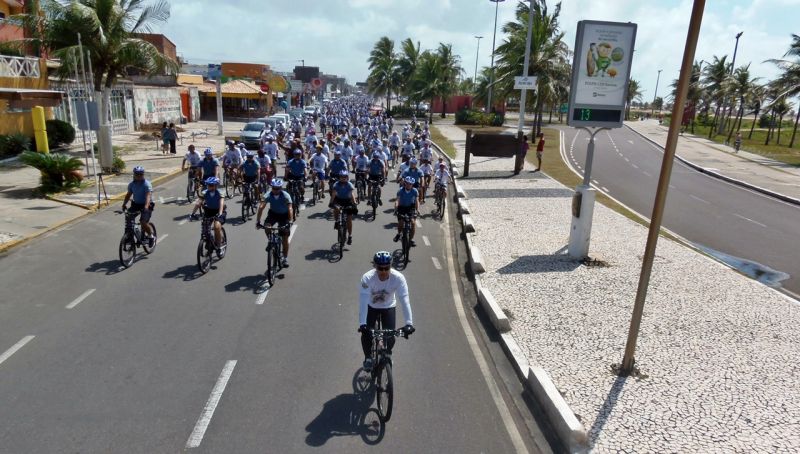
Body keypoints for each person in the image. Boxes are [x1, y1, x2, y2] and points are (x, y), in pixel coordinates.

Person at [358, 251, 415, 372]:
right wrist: (362, 324)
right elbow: (363, 301)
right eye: (380, 268)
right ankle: (368, 357)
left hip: (388, 306)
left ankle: (387, 353)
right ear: (375, 267)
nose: (383, 271)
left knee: (391, 337)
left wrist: (409, 323)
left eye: (386, 268)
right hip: (371, 307)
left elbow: (405, 300)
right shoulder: (367, 278)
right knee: (367, 334)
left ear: (391, 266)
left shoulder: (398, 278)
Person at [256, 179, 294, 268]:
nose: (275, 190)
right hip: (273, 214)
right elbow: (261, 207)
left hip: (285, 215)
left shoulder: (286, 195)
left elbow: (290, 209)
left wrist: (290, 221)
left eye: (277, 188)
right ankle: (271, 241)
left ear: (281, 188)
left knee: (285, 237)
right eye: (274, 188)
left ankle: (285, 258)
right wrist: (258, 221)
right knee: (266, 227)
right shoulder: (268, 195)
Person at [121, 166, 154, 244]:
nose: (139, 176)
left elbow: (148, 197)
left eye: (141, 174)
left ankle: (150, 236)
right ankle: (129, 237)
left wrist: (146, 207)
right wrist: (124, 204)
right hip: (136, 204)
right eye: (137, 174)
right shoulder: (131, 185)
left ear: (143, 174)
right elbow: (128, 195)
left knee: (143, 222)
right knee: (128, 217)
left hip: (147, 205)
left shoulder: (147, 184)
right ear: (134, 175)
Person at [190, 177, 226, 249]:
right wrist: (192, 214)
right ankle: (209, 241)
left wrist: (220, 213)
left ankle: (219, 245)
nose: (209, 187)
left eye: (212, 185)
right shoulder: (205, 193)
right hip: (209, 211)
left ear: (216, 185)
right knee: (205, 229)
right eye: (208, 185)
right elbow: (198, 203)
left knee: (216, 226)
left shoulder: (220, 193)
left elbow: (221, 203)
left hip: (218, 211)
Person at [329, 170, 358, 245]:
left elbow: (351, 194)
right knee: (336, 209)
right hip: (338, 200)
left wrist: (354, 203)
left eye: (345, 177)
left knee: (349, 219)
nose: (343, 178)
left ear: (347, 177)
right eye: (341, 177)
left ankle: (350, 236)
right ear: (339, 177)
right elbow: (334, 194)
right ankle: (336, 221)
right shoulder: (336, 184)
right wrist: (331, 202)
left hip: (347, 201)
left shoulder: (349, 184)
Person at [394, 176, 419, 246]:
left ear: (412, 185)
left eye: (410, 184)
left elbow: (417, 201)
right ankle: (398, 234)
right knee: (401, 222)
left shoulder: (415, 191)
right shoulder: (400, 190)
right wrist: (396, 208)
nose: (408, 185)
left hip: (411, 208)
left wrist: (417, 210)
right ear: (405, 183)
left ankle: (411, 239)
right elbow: (397, 200)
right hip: (401, 207)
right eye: (407, 183)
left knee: (413, 223)